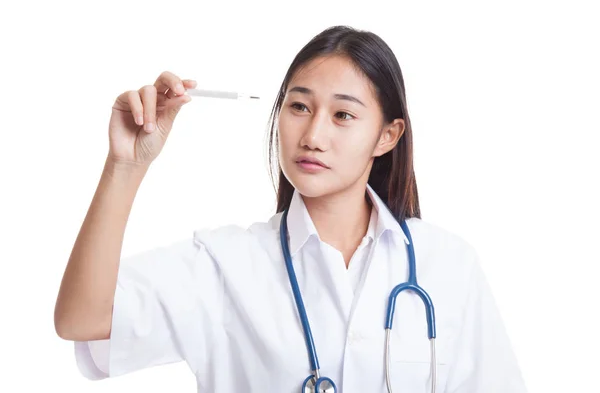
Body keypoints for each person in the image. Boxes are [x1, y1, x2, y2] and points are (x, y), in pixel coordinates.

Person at [54, 25, 527, 392]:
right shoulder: (223, 265)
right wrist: (125, 165)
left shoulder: (448, 265)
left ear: (387, 135)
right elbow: (81, 320)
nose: (313, 135)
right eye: (299, 106)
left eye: (343, 115)